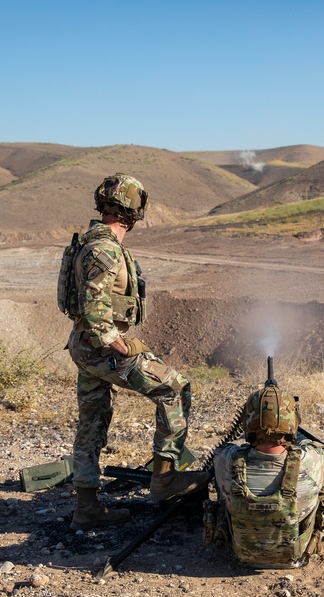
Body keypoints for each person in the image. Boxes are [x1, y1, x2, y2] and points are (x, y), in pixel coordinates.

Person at [66, 173, 208, 530]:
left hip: (84, 348)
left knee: (92, 421)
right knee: (175, 388)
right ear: (133, 210)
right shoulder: (104, 249)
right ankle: (164, 480)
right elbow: (96, 313)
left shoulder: (91, 242)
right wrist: (123, 345)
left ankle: (86, 507)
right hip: (101, 348)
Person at [211, 385, 324, 568]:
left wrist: (247, 439)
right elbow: (323, 455)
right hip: (295, 555)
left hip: (241, 552)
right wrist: (300, 439)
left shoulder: (226, 460)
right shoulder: (311, 462)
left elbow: (226, 448)